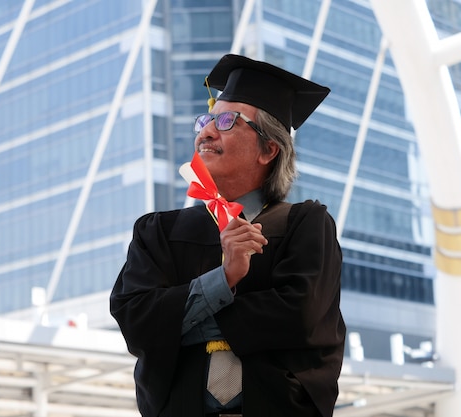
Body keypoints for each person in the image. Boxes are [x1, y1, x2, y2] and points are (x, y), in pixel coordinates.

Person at [110, 54, 346, 417]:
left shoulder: (306, 225)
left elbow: (301, 318)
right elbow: (135, 320)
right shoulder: (158, 232)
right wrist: (223, 280)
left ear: (269, 149)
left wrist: (175, 325)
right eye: (206, 119)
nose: (205, 132)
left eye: (226, 121)